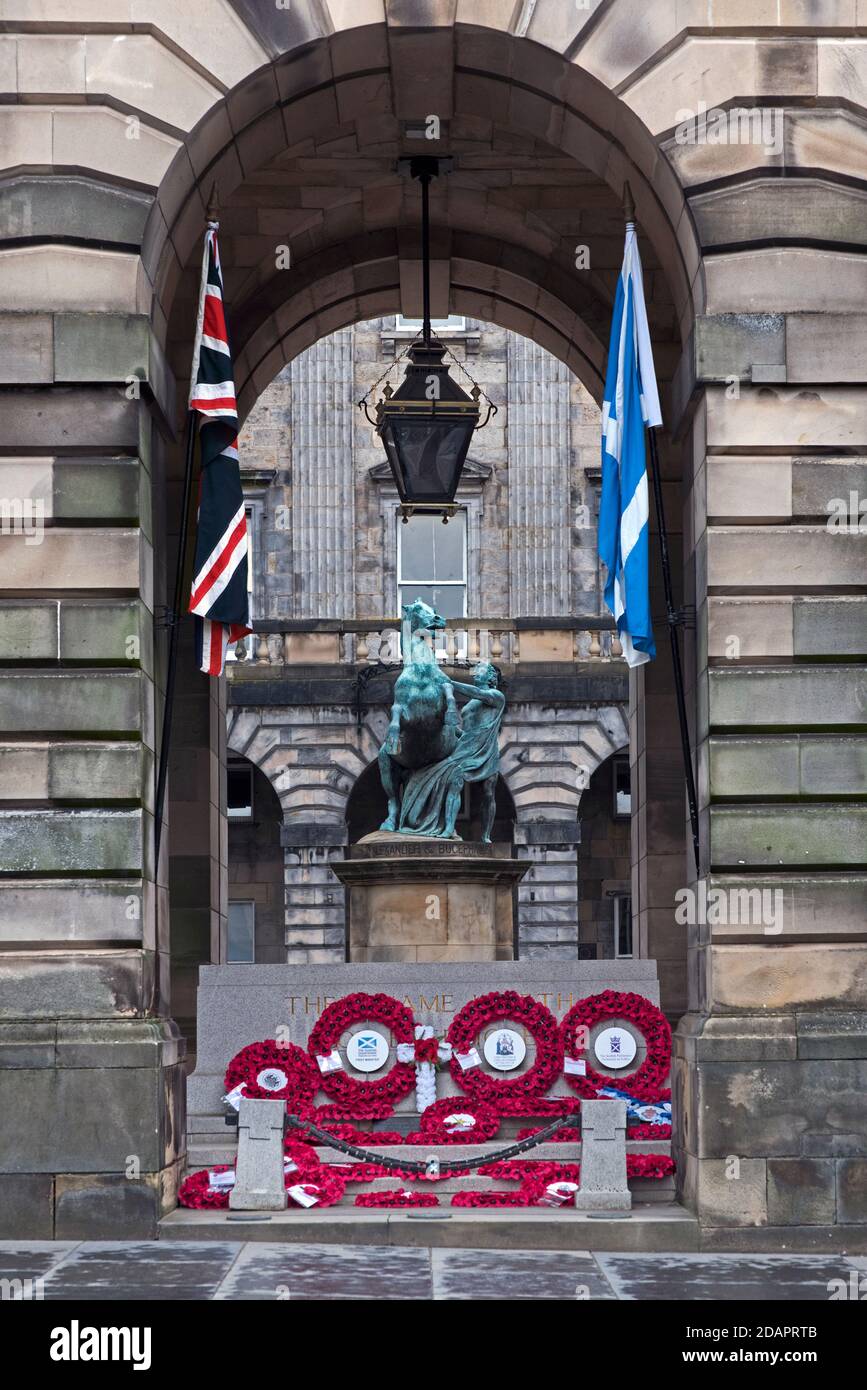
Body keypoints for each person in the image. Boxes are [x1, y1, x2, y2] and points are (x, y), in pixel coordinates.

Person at [397, 660, 505, 842]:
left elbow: (478, 693)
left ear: (491, 677)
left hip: (486, 750)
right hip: (466, 747)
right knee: (453, 781)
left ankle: (486, 836)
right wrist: (454, 731)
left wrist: (450, 684)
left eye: (481, 671)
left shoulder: (496, 696)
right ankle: (447, 828)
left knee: (488, 792)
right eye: (475, 670)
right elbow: (467, 730)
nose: (475, 673)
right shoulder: (470, 704)